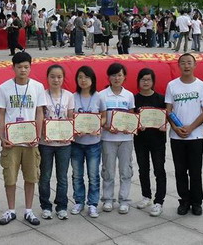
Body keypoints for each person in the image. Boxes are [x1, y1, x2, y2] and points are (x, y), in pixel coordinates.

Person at [0, 52, 46, 226]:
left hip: (30, 141)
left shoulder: (38, 87)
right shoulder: (4, 87)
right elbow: (1, 113)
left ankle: (28, 210)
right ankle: (11, 210)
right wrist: (2, 136)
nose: (23, 70)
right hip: (12, 142)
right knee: (10, 177)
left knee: (31, 177)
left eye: (26, 67)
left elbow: (39, 112)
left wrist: (37, 135)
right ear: (13, 68)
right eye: (19, 67)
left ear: (30, 68)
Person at [165, 53, 203, 216]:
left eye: (189, 63)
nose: (186, 66)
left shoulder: (202, 86)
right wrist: (175, 128)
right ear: (178, 66)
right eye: (183, 63)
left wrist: (191, 128)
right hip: (176, 137)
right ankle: (184, 200)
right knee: (180, 171)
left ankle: (197, 202)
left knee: (195, 171)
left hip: (195, 136)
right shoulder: (172, 85)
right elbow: (168, 110)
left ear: (195, 65)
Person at [38, 65, 74, 220]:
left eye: (59, 77)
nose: (56, 80)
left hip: (64, 145)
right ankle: (45, 206)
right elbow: (38, 116)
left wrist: (69, 132)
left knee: (62, 177)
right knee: (45, 176)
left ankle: (62, 206)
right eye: (52, 76)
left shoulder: (69, 96)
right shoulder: (42, 95)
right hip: (45, 144)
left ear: (63, 78)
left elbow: (71, 117)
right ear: (47, 78)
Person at [99, 63, 135, 214]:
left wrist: (129, 126)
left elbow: (131, 115)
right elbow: (100, 117)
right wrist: (107, 127)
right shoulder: (102, 95)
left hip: (126, 139)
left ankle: (124, 200)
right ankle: (108, 199)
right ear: (108, 77)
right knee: (108, 170)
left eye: (119, 75)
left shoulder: (129, 95)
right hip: (108, 138)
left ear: (124, 77)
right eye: (113, 75)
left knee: (126, 170)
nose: (116, 78)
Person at [70, 66, 105, 218]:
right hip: (76, 143)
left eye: (86, 77)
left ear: (92, 79)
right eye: (80, 77)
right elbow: (70, 117)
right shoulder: (72, 97)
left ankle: (93, 204)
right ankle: (79, 201)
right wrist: (74, 128)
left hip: (94, 143)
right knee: (77, 175)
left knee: (93, 175)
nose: (83, 80)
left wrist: (97, 126)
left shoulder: (99, 97)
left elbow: (104, 116)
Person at [134, 68, 167, 217]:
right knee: (143, 169)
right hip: (140, 141)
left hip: (158, 141)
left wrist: (164, 125)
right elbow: (130, 119)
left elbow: (167, 117)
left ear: (153, 81)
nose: (145, 82)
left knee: (159, 170)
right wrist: (136, 125)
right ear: (138, 81)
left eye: (148, 79)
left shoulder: (160, 99)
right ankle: (146, 196)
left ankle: (159, 201)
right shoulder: (134, 99)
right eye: (143, 79)